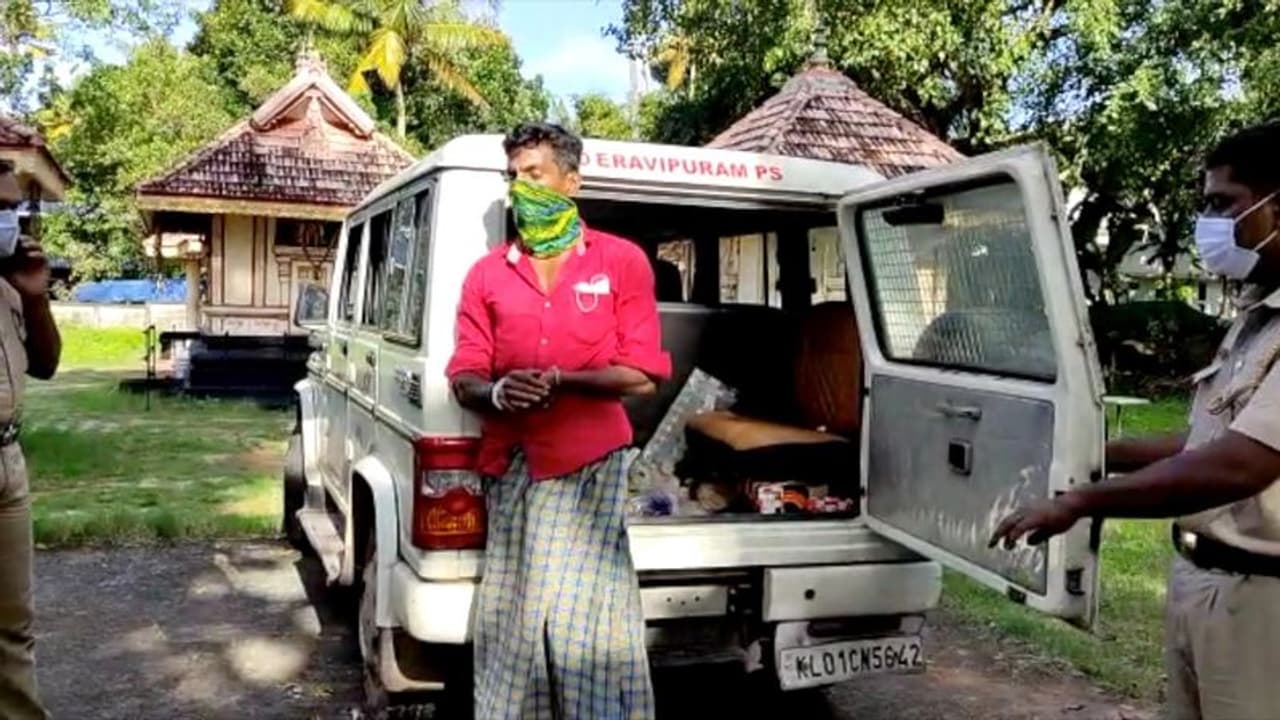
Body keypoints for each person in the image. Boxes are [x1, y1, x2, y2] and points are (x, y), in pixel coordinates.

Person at [989, 121, 1280, 720]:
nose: (1208, 223)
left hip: (1263, 600)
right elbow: (1206, 441)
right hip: (1205, 582)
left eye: (1223, 203)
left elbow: (1241, 465)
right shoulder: (1257, 318)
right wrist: (1095, 448)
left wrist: (1082, 501)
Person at [445, 123, 670, 719]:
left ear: (572, 182)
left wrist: (562, 380)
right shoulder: (487, 274)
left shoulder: (620, 261)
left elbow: (643, 375)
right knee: (514, 618)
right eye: (513, 177)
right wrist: (496, 392)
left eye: (534, 174)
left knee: (587, 626)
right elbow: (464, 374)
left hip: (589, 468)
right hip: (514, 467)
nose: (520, 187)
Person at [0, 160, 62, 720]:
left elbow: (46, 364)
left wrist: (36, 297)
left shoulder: (12, 286)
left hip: (8, 462)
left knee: (14, 625)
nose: (9, 222)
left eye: (11, 210)